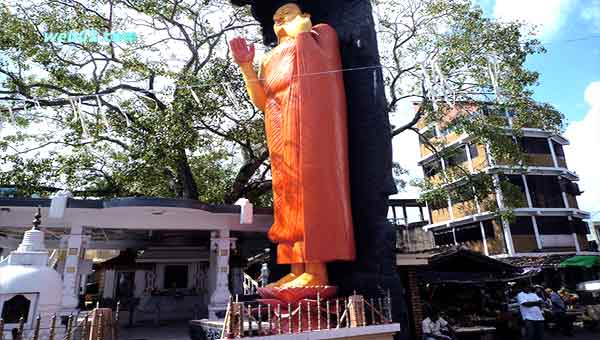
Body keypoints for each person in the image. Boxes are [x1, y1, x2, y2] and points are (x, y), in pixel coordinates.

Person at [230, 1, 355, 288]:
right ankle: (297, 269)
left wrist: (301, 33)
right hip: (277, 124)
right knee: (286, 195)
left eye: (286, 15)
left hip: (310, 124)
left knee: (310, 192)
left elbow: (320, 68)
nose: (279, 22)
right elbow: (262, 102)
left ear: (305, 16)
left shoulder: (321, 36)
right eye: (275, 19)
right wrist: (246, 67)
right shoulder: (269, 57)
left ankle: (316, 270)